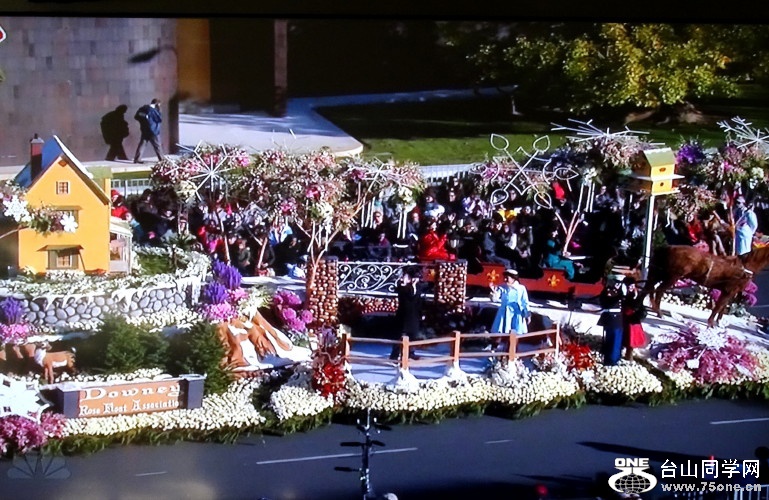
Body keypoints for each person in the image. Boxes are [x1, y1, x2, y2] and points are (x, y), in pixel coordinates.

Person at [489, 269, 531, 348]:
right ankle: (493, 350)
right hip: (504, 313)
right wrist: (493, 292)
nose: (505, 279)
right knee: (499, 332)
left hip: (516, 313)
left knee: (514, 334)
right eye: (504, 277)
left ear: (513, 278)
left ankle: (512, 351)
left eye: (507, 278)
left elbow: (525, 302)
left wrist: (527, 314)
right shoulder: (502, 287)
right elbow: (495, 299)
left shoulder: (521, 288)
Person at [389, 268, 424, 361]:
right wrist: (408, 284)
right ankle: (395, 354)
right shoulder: (403, 288)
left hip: (414, 315)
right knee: (399, 335)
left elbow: (419, 301)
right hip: (404, 314)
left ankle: (410, 353)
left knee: (413, 334)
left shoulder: (418, 287)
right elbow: (410, 296)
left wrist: (421, 313)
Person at [598, 279, 624, 366]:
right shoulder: (609, 292)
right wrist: (619, 294)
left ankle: (613, 358)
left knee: (614, 340)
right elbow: (610, 303)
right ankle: (612, 360)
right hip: (613, 319)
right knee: (614, 341)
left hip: (616, 320)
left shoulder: (615, 292)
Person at [620, 276, 647, 360]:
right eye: (628, 286)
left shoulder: (637, 295)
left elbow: (639, 307)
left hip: (634, 320)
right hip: (625, 319)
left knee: (631, 338)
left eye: (631, 286)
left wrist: (635, 310)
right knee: (624, 337)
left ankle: (629, 355)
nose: (630, 288)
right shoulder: (624, 294)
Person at [133, 98, 164, 163]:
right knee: (157, 145)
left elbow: (136, 116)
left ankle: (137, 159)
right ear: (157, 104)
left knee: (142, 144)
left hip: (145, 129)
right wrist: (159, 110)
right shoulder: (153, 111)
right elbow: (159, 119)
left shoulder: (143, 109)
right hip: (153, 131)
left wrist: (145, 118)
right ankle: (162, 159)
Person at [735, 196, 758, 261]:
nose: (737, 204)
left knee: (744, 251)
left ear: (743, 203)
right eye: (736, 202)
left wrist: (749, 232)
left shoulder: (749, 213)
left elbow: (754, 225)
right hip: (738, 234)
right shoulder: (737, 211)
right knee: (738, 252)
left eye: (739, 203)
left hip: (745, 235)